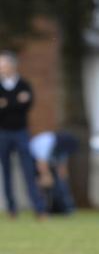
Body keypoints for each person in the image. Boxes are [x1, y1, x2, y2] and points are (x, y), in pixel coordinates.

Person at [0, 50, 46, 218]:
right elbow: (16, 106)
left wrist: (6, 104)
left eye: (3, 65)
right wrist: (16, 102)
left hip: (21, 132)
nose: (1, 68)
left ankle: (39, 208)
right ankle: (12, 209)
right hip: (3, 134)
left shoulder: (24, 84)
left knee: (28, 170)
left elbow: (27, 105)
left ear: (12, 66)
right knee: (6, 172)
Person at [30, 130, 79, 214]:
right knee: (45, 182)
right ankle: (42, 207)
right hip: (34, 160)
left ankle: (62, 207)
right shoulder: (45, 142)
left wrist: (63, 180)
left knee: (59, 183)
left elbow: (62, 167)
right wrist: (46, 175)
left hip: (47, 161)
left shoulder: (62, 147)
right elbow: (41, 163)